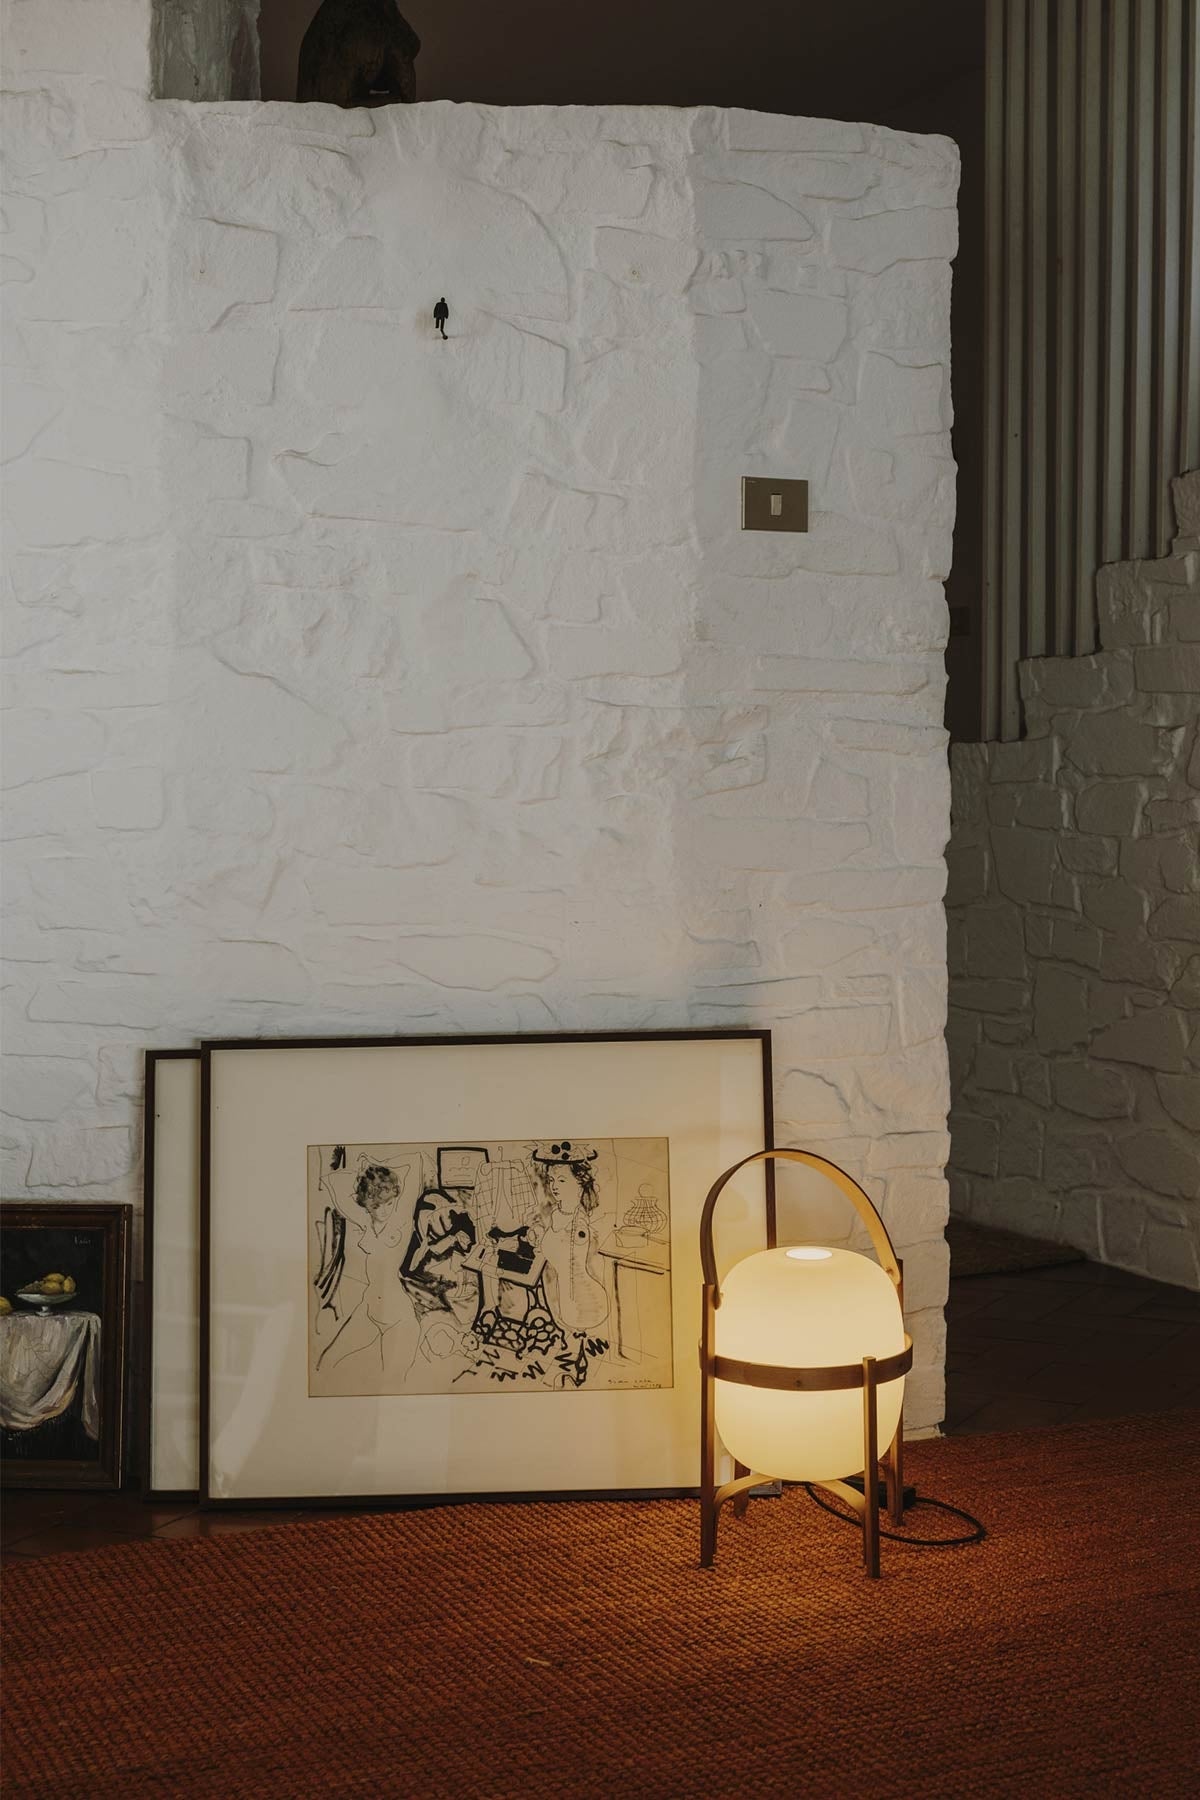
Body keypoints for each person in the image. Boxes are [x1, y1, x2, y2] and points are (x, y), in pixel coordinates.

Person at [528, 1142, 610, 1385]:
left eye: (562, 1180)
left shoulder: (579, 1221)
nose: (554, 1186)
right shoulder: (557, 1214)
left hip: (582, 1297)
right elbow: (554, 1246)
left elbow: (572, 1251)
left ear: (579, 1184)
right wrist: (538, 1237)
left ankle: (578, 1374)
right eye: (552, 1180)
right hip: (562, 1293)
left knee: (577, 1338)